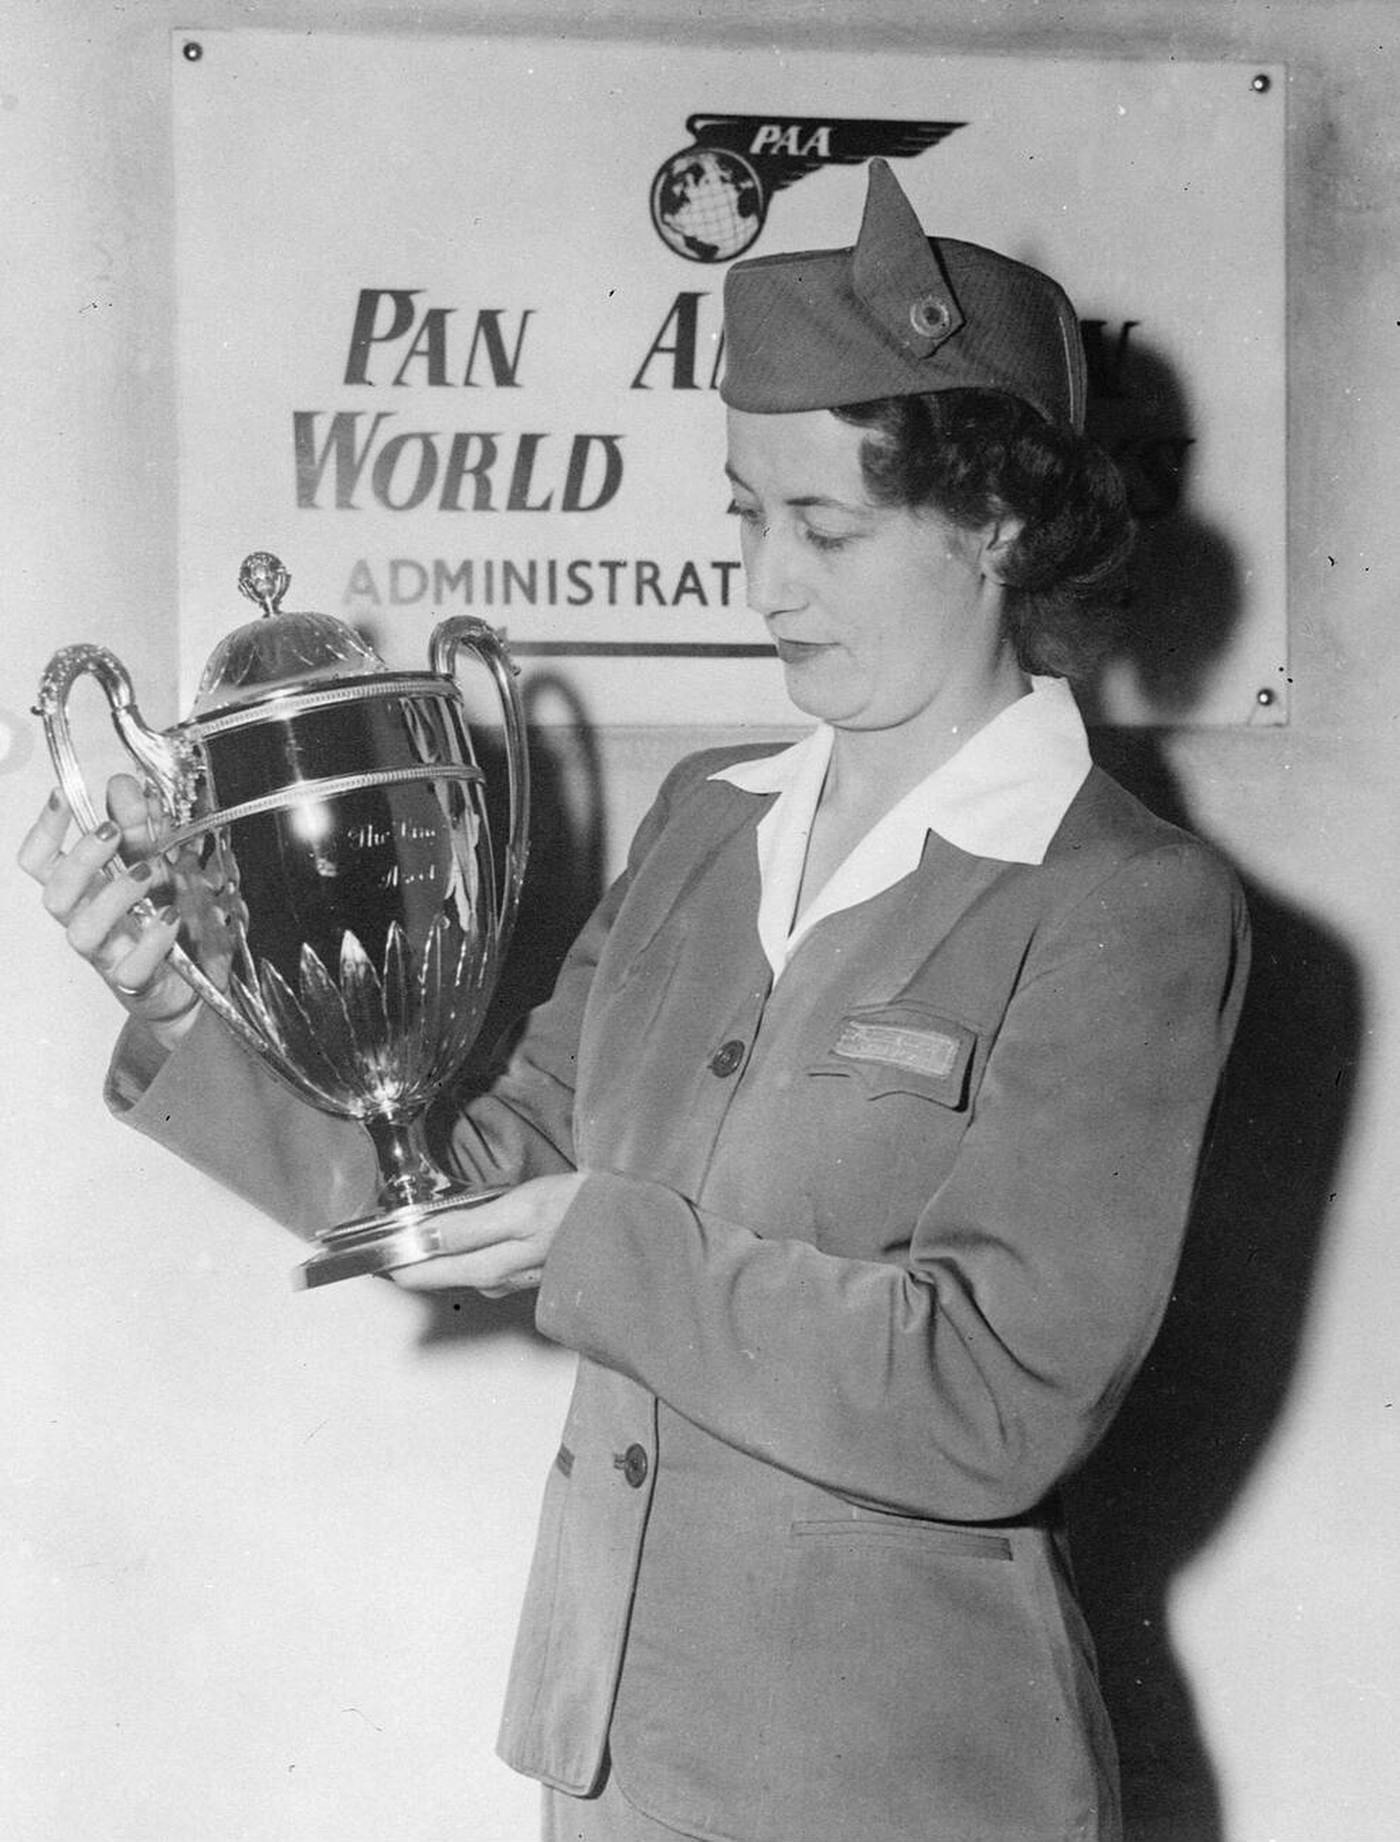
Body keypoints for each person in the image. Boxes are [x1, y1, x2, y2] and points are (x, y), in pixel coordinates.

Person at [20, 160, 1250, 1842]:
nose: (767, 579)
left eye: (825, 528)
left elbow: (993, 1388)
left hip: (910, 1781)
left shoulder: (1125, 902)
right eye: (746, 512)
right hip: (611, 1764)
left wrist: (599, 1239)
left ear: (1000, 528)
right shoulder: (702, 826)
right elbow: (469, 1177)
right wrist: (180, 996)